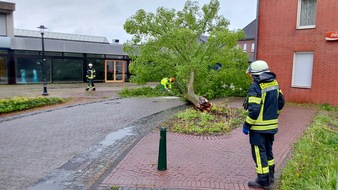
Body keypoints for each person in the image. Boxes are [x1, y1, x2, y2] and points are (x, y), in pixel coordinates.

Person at [242, 60, 285, 189]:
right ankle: (271, 176)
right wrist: (275, 114)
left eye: (251, 75)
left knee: (259, 154)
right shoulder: (274, 83)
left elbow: (254, 109)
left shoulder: (256, 86)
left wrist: (247, 125)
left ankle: (263, 181)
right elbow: (281, 101)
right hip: (271, 127)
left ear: (256, 74)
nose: (251, 78)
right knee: (268, 150)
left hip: (258, 128)